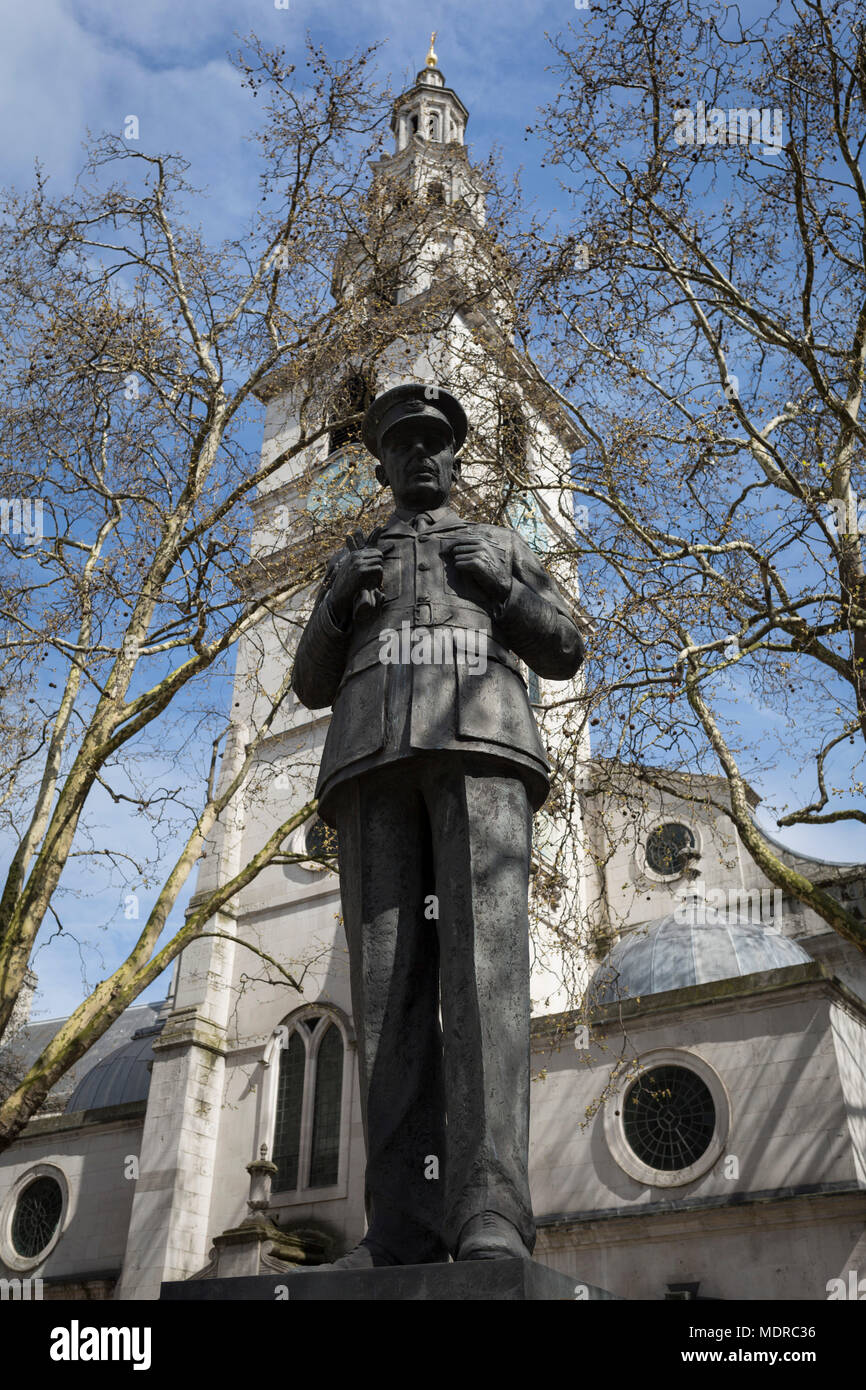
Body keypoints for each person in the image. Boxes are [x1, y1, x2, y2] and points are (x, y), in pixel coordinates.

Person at [291, 383, 584, 1266]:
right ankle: (403, 1224)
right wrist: (339, 601)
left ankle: (492, 1209)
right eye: (402, 445)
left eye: (435, 443)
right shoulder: (351, 557)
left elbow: (565, 648)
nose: (421, 455)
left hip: (483, 747)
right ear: (379, 463)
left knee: (486, 978)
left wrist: (506, 593)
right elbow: (308, 681)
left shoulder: (498, 542)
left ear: (458, 456)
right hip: (371, 762)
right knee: (386, 996)